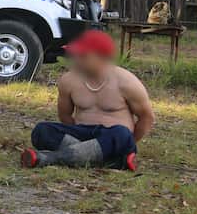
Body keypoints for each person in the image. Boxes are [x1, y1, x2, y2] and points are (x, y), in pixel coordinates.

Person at [22, 28, 154, 170]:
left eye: (83, 56)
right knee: (42, 131)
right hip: (82, 133)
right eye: (76, 55)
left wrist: (128, 142)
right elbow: (65, 116)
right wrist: (84, 142)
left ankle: (52, 158)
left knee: (121, 134)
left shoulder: (126, 82)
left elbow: (146, 117)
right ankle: (107, 160)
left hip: (112, 136)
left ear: (102, 57)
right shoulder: (68, 81)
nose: (76, 60)